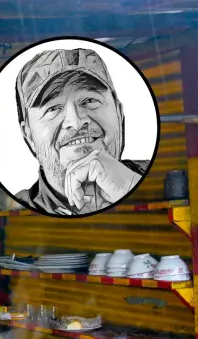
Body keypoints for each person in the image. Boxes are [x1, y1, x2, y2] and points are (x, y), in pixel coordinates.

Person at [14, 48, 150, 216]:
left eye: (90, 100)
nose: (76, 123)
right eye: (53, 108)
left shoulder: (168, 179)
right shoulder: (11, 213)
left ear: (119, 113)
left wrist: (129, 189)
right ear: (28, 136)